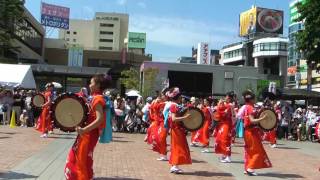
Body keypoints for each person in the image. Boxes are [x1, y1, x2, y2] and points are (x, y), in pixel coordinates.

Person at [64, 74, 111, 180]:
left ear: (98, 85)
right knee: (81, 159)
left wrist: (84, 129)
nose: (89, 85)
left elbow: (99, 120)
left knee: (81, 160)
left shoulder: (97, 99)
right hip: (87, 134)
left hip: (89, 135)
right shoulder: (95, 98)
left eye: (91, 83)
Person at [242, 90, 272, 176]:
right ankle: (250, 168)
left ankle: (247, 167)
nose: (255, 100)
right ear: (251, 100)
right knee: (258, 151)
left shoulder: (247, 107)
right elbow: (252, 120)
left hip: (248, 131)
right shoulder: (250, 108)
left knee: (249, 151)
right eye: (254, 99)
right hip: (251, 132)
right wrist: (263, 118)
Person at [168, 87, 192, 174]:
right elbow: (174, 119)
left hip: (177, 129)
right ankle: (175, 166)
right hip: (176, 129)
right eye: (180, 97)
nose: (181, 98)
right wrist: (185, 117)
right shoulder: (174, 106)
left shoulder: (175, 105)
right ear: (178, 97)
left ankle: (174, 165)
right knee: (178, 147)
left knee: (176, 147)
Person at [214, 91, 235, 163]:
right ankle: (224, 154)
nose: (225, 98)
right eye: (226, 97)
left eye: (227, 97)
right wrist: (220, 105)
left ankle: (228, 156)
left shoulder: (230, 105)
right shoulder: (226, 105)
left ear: (229, 98)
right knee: (219, 139)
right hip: (223, 124)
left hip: (227, 124)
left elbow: (222, 113)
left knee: (226, 140)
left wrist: (219, 104)